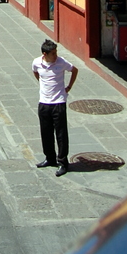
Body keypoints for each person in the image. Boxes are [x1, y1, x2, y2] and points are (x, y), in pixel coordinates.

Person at [32, 39, 78, 177]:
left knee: (61, 134)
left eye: (56, 52)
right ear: (44, 54)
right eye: (53, 53)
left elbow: (74, 70)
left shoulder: (61, 62)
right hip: (44, 103)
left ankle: (63, 162)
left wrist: (68, 88)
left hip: (58, 103)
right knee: (46, 133)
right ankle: (49, 158)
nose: (55, 55)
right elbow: (36, 73)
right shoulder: (36, 63)